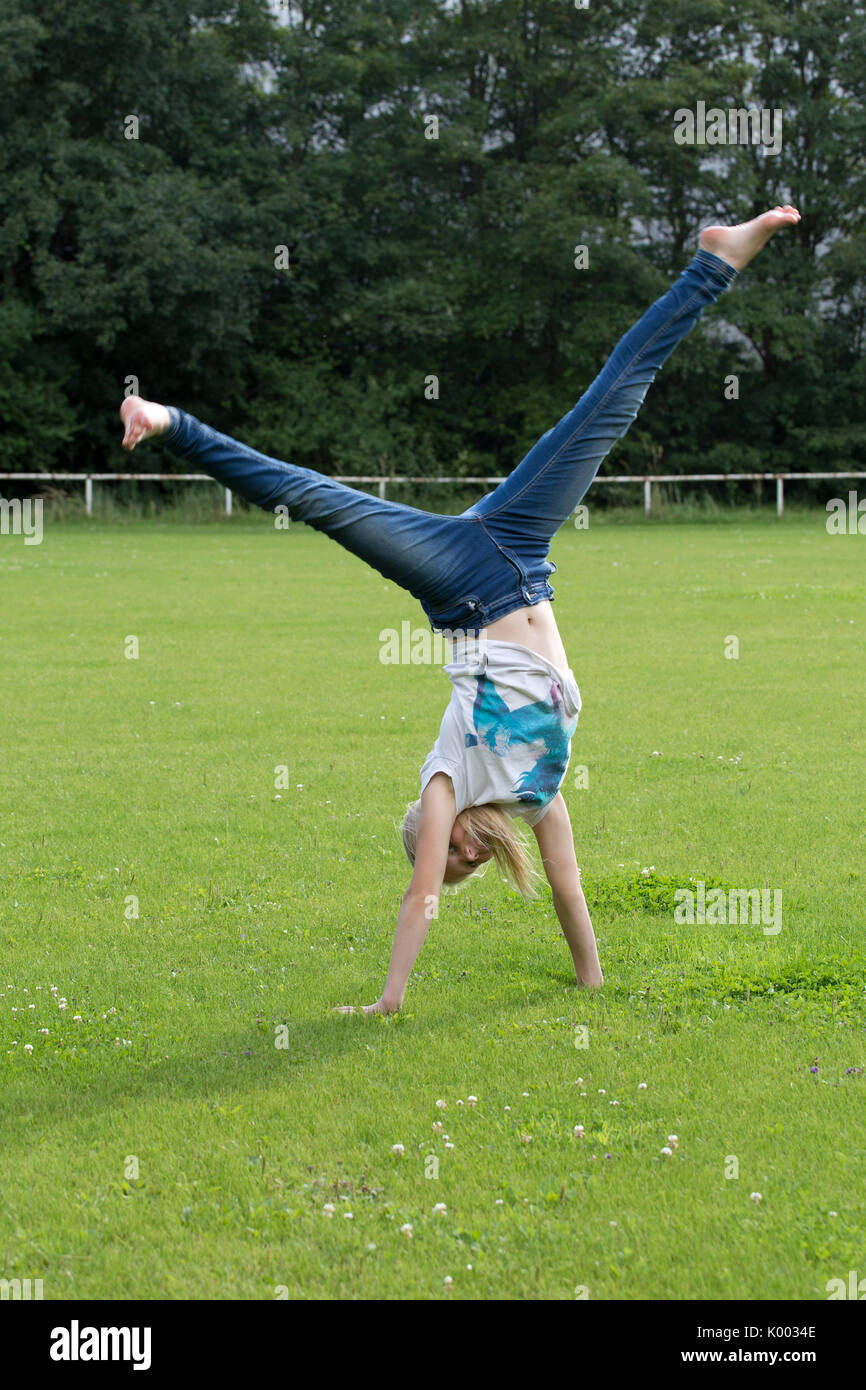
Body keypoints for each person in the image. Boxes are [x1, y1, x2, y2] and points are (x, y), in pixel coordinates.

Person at [120, 206, 801, 1014]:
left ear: (434, 831)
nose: (468, 856)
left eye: (452, 855)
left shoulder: (446, 780)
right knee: (615, 402)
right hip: (522, 555)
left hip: (462, 585)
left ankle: (168, 420)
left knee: (317, 500)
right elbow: (568, 885)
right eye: (470, 865)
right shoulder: (538, 790)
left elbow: (420, 903)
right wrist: (592, 984)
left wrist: (389, 1000)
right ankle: (715, 265)